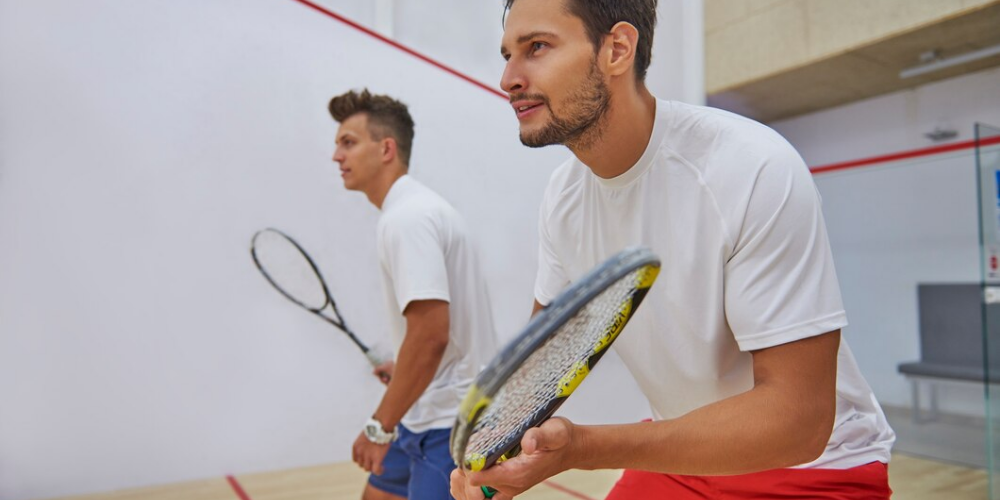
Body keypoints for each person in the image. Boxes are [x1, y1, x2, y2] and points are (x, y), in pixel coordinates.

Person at [451, 1, 895, 499]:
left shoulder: (751, 166)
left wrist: (582, 447)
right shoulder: (563, 197)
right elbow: (539, 370)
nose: (508, 78)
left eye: (537, 48)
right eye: (508, 53)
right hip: (681, 455)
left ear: (616, 49)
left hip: (817, 466)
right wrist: (500, 459)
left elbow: (799, 422)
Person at [330, 89, 497, 500]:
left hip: (451, 427)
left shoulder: (408, 219)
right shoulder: (418, 210)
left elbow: (431, 336)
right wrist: (403, 367)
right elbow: (434, 335)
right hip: (425, 413)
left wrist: (378, 426)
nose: (336, 156)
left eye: (348, 143)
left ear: (386, 148)